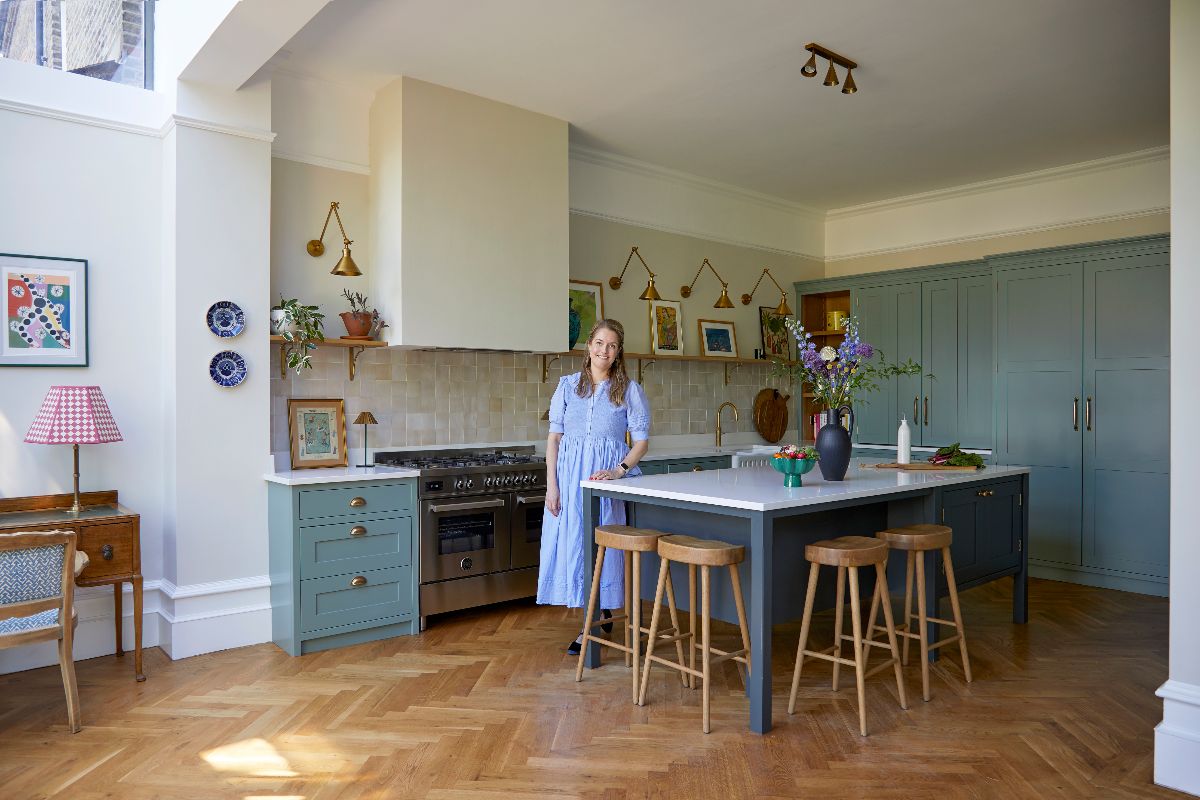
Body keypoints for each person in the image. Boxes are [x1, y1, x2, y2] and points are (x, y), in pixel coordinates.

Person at [538, 318, 650, 654]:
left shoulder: (630, 390)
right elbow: (554, 441)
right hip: (569, 481)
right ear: (588, 346)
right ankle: (591, 619)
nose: (605, 350)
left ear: (618, 353)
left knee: (603, 548)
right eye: (599, 343)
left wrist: (619, 471)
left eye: (612, 345)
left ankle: (595, 621)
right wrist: (551, 487)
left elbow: (641, 442)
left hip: (604, 484)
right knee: (575, 545)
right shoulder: (567, 385)